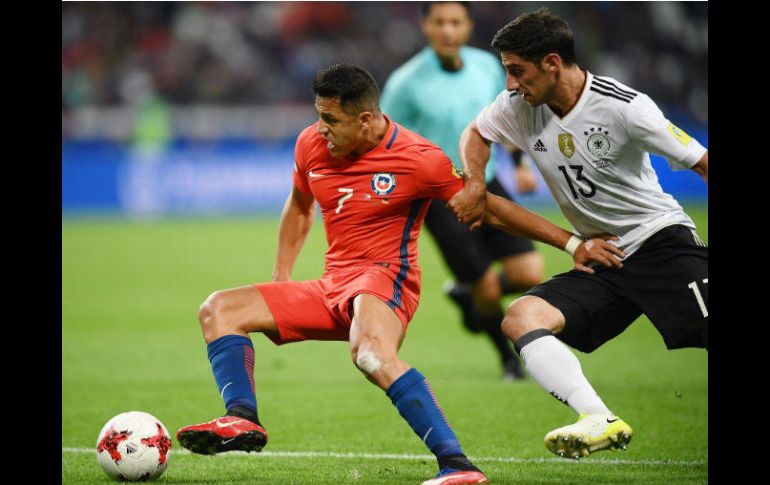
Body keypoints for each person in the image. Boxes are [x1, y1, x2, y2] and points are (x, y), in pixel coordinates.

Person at [175, 63, 625, 484]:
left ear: (365, 120)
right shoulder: (311, 144)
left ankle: (457, 465)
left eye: (330, 119)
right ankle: (242, 419)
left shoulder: (419, 158)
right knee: (219, 309)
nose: (320, 128)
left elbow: (486, 207)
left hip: (386, 281)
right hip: (334, 284)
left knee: (370, 354)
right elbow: (299, 204)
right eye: (318, 116)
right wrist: (281, 276)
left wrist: (571, 243)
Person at [448, 8, 708, 460]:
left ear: (552, 63)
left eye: (517, 71)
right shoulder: (517, 106)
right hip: (601, 256)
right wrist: (474, 181)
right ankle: (597, 418)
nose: (510, 84)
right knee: (520, 317)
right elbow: (476, 132)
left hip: (660, 241)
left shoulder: (626, 107)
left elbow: (702, 162)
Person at [381, 1, 544, 381]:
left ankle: (466, 295)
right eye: (439, 22)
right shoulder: (405, 83)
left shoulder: (487, 67)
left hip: (486, 182)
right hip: (441, 199)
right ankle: (508, 360)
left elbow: (504, 119)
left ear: (469, 25)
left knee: (529, 272)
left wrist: (519, 164)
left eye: (455, 22)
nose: (447, 30)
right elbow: (385, 143)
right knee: (486, 286)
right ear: (425, 26)